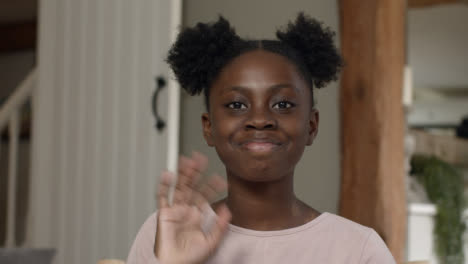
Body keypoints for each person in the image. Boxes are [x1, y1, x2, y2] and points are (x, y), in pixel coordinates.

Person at [127, 13, 396, 264]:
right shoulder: (164, 232)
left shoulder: (359, 249)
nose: (259, 119)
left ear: (312, 126)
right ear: (208, 127)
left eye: (282, 104)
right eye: (236, 105)